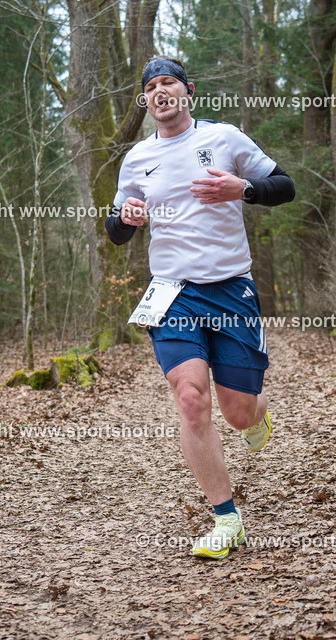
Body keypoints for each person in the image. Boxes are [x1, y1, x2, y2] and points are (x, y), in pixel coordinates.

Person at [105, 56, 295, 558]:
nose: (160, 91)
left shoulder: (226, 139)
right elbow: (116, 228)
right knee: (190, 397)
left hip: (231, 289)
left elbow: (285, 187)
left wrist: (244, 188)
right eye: (151, 87)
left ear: (188, 91)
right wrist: (126, 218)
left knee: (237, 414)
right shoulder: (136, 158)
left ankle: (258, 415)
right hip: (172, 293)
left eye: (169, 82)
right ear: (145, 101)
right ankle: (226, 518)